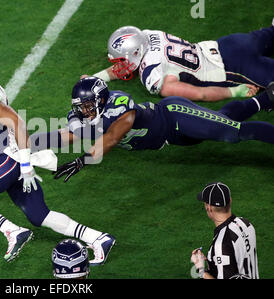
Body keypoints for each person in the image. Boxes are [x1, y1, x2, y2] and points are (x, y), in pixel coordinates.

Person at [0, 46, 115, 264]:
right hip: (5, 156)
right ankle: (98, 238)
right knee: (39, 215)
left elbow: (18, 123)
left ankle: (13, 232)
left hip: (11, 158)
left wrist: (25, 166)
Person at [28, 76, 274, 182]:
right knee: (222, 121)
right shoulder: (85, 116)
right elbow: (63, 135)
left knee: (233, 133)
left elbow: (113, 137)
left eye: (88, 106)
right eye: (81, 107)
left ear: (102, 100)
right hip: (173, 138)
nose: (84, 111)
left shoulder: (120, 105)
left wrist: (84, 161)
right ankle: (266, 99)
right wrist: (24, 143)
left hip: (175, 116)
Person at [85, 20, 274, 102]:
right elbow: (128, 64)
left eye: (121, 60)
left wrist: (233, 92)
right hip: (230, 42)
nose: (119, 65)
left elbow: (200, 94)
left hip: (233, 66)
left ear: (135, 52)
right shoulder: (149, 34)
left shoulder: (152, 74)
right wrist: (95, 79)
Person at [190, 182, 258, 279]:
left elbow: (227, 250)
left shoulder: (221, 245)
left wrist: (200, 269)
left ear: (208, 207)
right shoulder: (246, 224)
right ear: (230, 201)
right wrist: (213, 260)